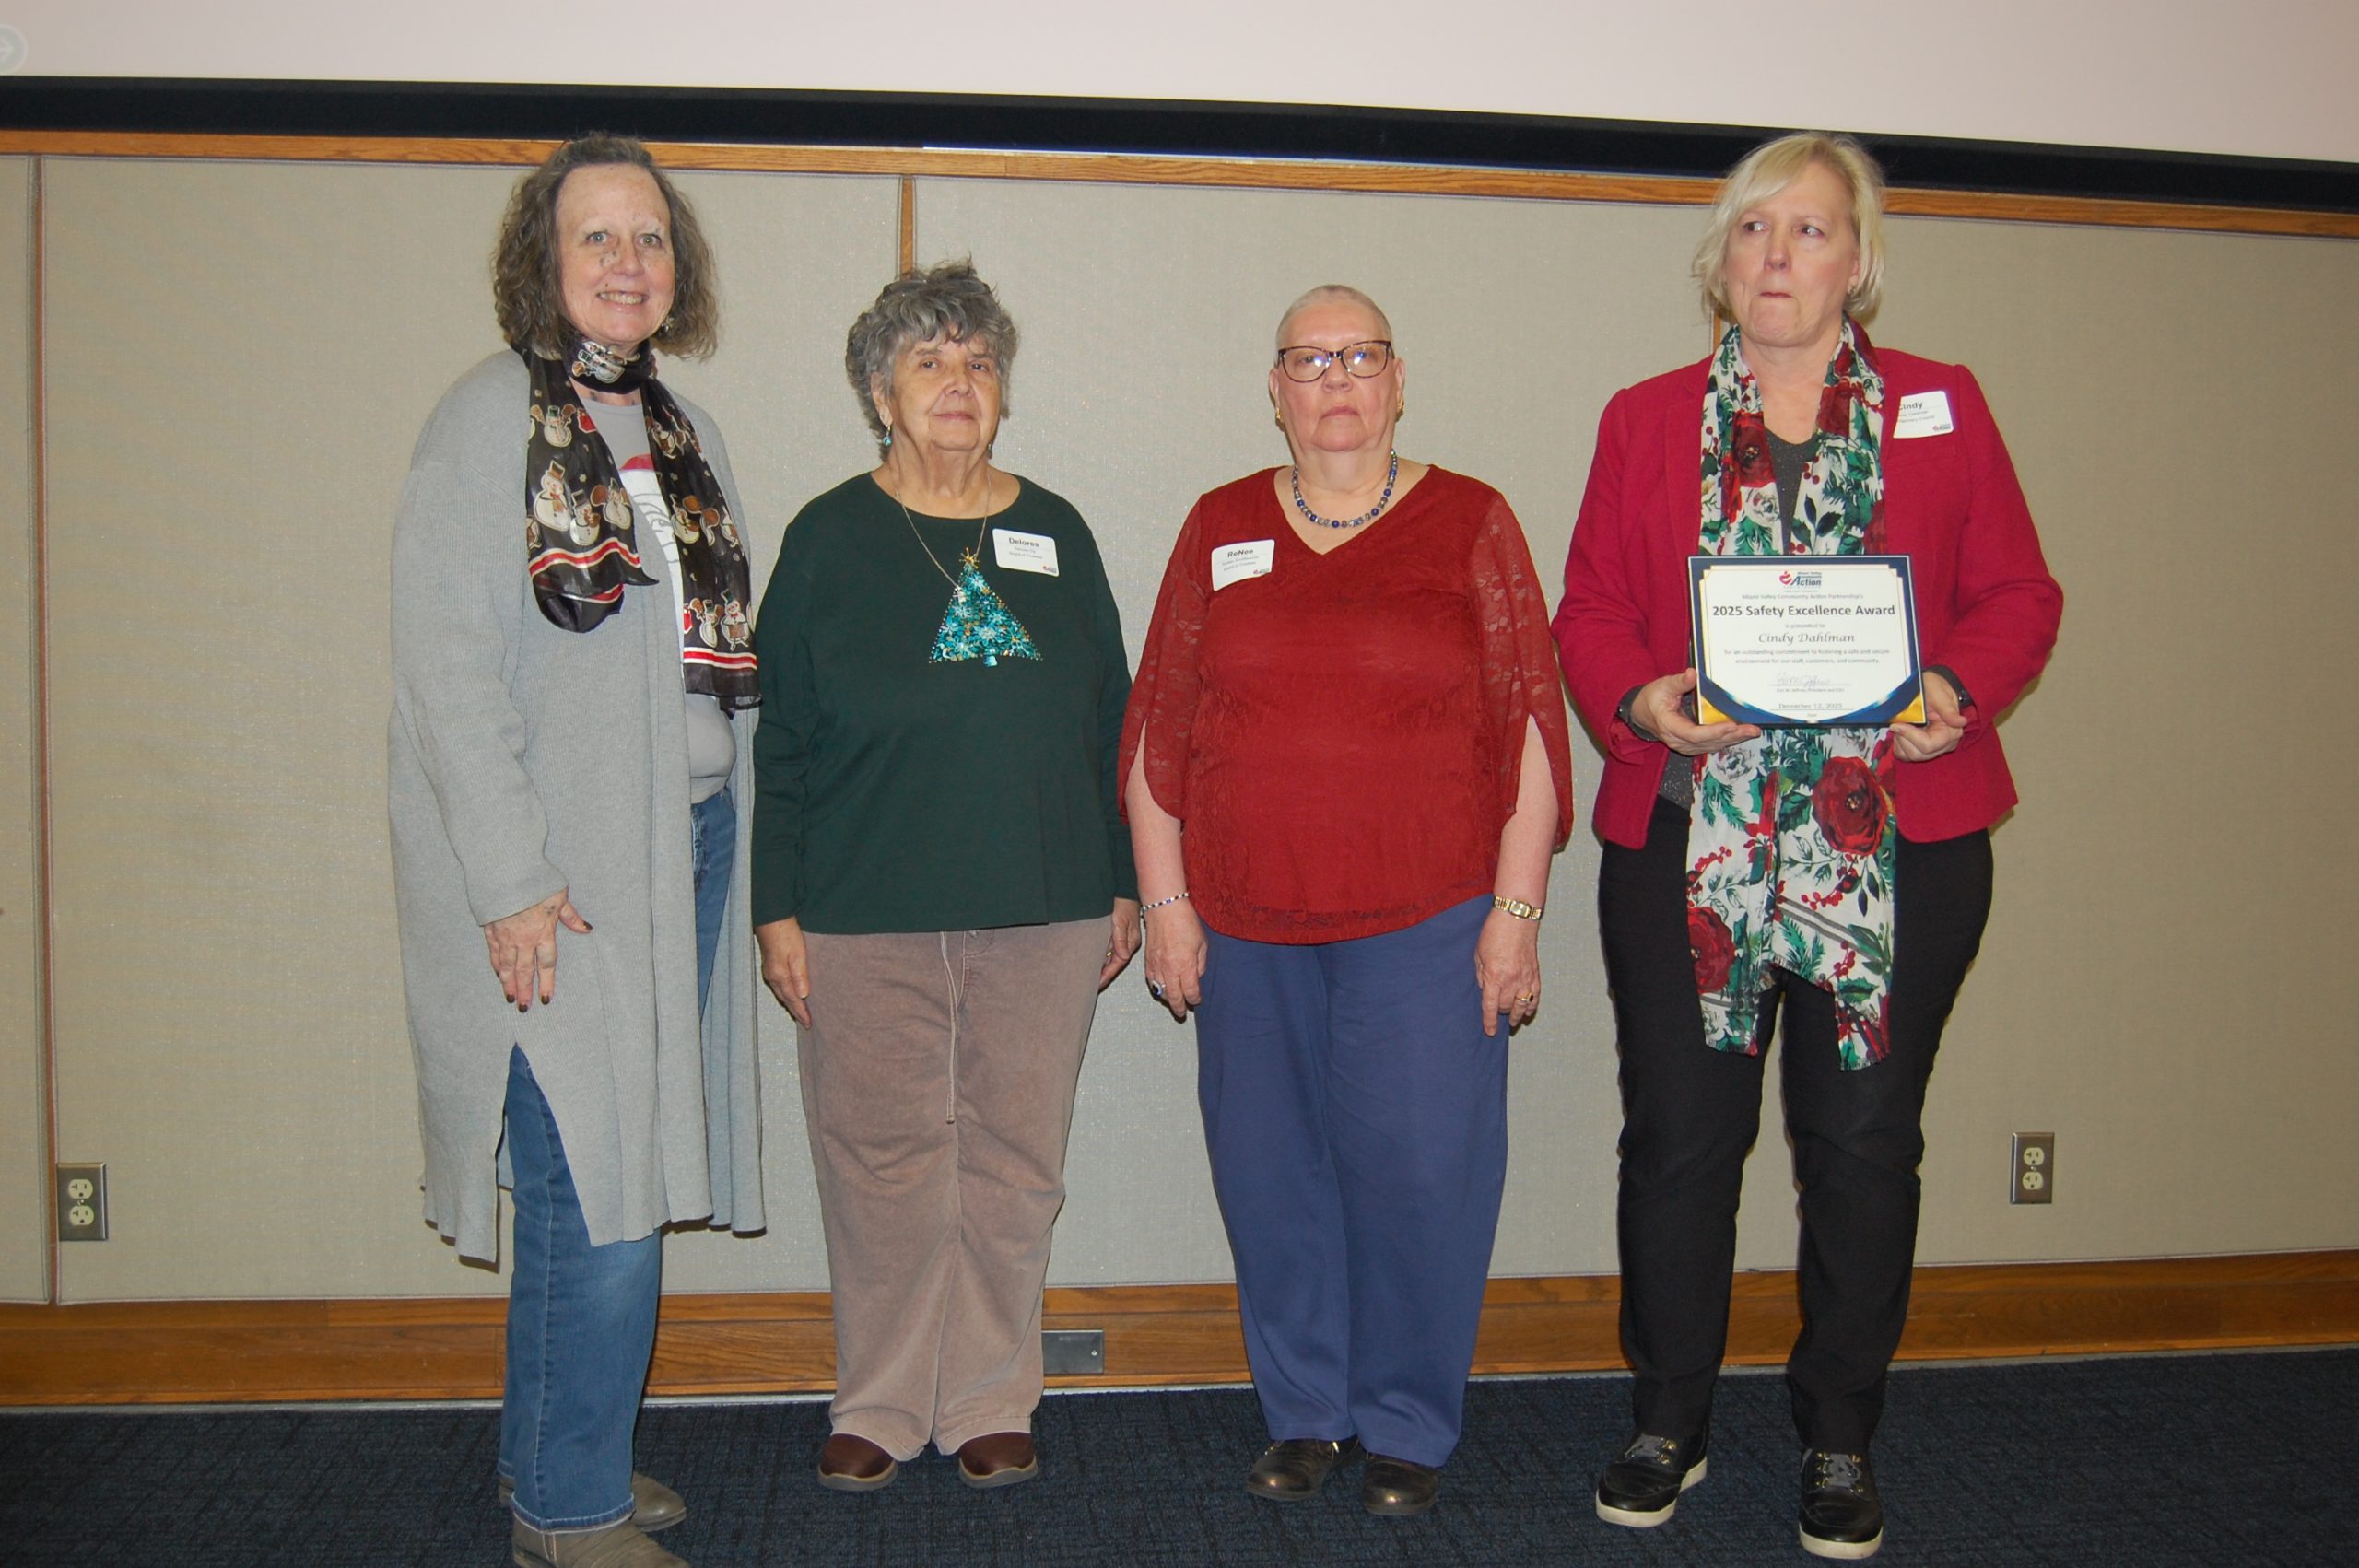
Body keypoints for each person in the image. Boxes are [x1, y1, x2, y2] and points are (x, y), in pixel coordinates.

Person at [1554, 132, 2062, 1560]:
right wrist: (1645, 699)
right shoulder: (1645, 417)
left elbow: (2020, 591)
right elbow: (1589, 607)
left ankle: (1840, 1433)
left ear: (1861, 261)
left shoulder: (1941, 408)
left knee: (1859, 1147)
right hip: (1686, 842)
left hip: (1896, 847)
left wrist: (1953, 691)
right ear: (1721, 260)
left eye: (1810, 231)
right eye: (1754, 229)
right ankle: (1668, 1418)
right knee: (1678, 1144)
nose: (1777, 256)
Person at [1121, 285, 1574, 1517]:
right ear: (1273, 390)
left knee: (1424, 1172)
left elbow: (1531, 723)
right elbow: (1157, 724)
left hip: (1428, 921)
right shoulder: (1218, 526)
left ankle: (1409, 1423)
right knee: (1272, 1176)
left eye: (1358, 355)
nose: (1335, 380)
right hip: (1246, 925)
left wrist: (1516, 909)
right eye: (1307, 360)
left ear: (1398, 379)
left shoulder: (1472, 521)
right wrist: (1166, 903)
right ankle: (1307, 1414)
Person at [390, 135, 763, 1568]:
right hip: (563, 871)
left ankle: (559, 1449)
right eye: (597, 238)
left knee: (625, 1167)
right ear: (540, 263)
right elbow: (446, 673)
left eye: (650, 239)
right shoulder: (485, 422)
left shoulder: (685, 434)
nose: (628, 263)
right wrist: (512, 883)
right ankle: (566, 1511)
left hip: (689, 848)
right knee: (588, 1183)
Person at [749, 261, 1139, 1495]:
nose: (956, 383)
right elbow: (785, 740)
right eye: (928, 362)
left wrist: (1126, 875)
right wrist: (777, 904)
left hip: (1048, 904)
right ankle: (877, 1396)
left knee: (1016, 1156)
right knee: (880, 1162)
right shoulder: (827, 537)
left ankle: (986, 1395)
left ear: (1003, 388)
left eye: (977, 361)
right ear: (880, 391)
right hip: (862, 907)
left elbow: (1111, 724)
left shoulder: (1057, 531)